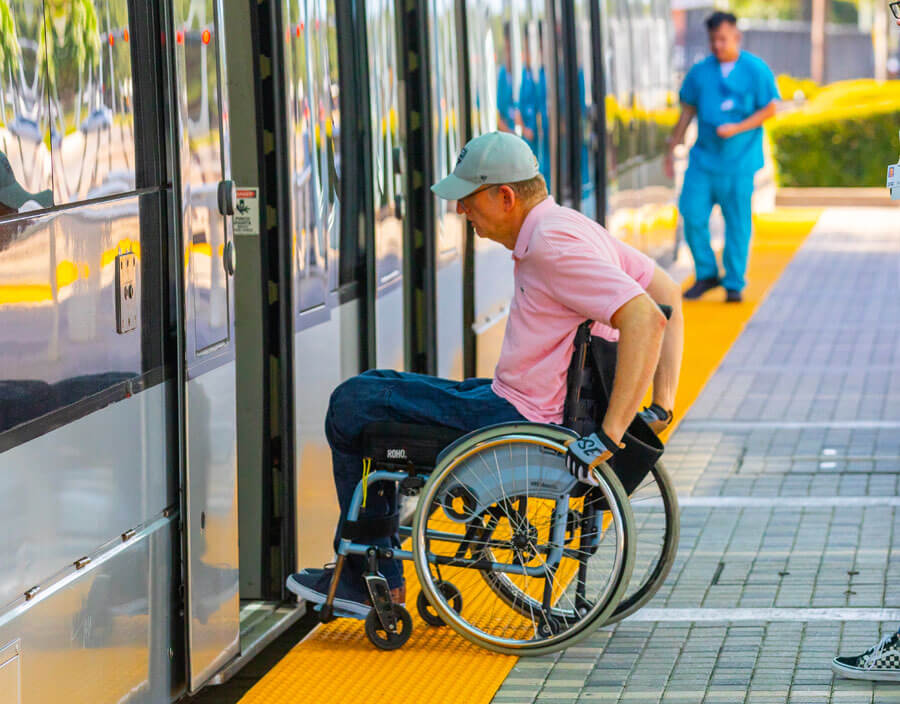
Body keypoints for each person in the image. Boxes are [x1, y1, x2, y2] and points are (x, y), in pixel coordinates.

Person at [287, 131, 684, 615]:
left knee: (351, 404)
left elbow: (648, 316)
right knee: (375, 389)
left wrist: (610, 435)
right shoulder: (570, 226)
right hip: (524, 403)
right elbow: (669, 290)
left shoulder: (552, 245)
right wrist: (661, 405)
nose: (460, 211)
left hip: (515, 418)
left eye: (467, 199)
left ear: (505, 196)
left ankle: (366, 575)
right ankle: (375, 572)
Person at [665, 11, 779, 303]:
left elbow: (770, 108)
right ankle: (706, 273)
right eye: (713, 40)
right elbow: (687, 112)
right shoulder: (700, 72)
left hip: (739, 162)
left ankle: (733, 282)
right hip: (703, 161)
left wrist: (738, 128)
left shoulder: (756, 70)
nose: (718, 45)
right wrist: (672, 148)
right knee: (691, 213)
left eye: (723, 39)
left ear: (737, 37)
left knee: (738, 224)